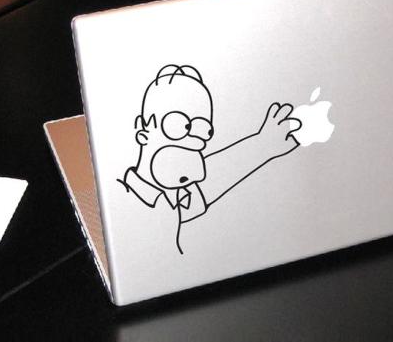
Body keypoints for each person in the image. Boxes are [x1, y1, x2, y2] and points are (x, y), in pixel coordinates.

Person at [119, 64, 301, 253]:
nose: (192, 139)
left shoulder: (177, 195)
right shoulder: (126, 199)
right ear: (143, 132)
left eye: (204, 129)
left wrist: (262, 144)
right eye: (178, 125)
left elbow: (209, 182)